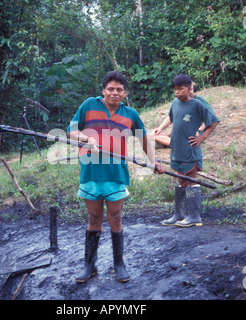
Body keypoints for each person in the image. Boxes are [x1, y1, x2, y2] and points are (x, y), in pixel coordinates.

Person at [67, 71, 165, 283]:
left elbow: (144, 139)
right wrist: (87, 139)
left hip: (116, 174)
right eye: (110, 89)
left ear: (124, 93)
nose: (115, 93)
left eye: (119, 90)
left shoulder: (130, 114)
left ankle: (119, 264)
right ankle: (89, 265)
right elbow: (71, 131)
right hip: (91, 172)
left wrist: (153, 162)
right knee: (94, 218)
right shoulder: (88, 105)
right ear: (103, 90)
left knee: (116, 217)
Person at [153, 74, 219, 227]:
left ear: (190, 88)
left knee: (191, 179)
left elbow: (214, 121)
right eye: (175, 89)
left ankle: (194, 216)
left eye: (180, 89)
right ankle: (179, 214)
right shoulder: (175, 103)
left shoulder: (197, 104)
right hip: (177, 150)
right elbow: (170, 118)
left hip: (190, 150)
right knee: (181, 180)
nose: (177, 92)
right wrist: (161, 128)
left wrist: (201, 138)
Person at [152, 82, 215, 147]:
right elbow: (170, 117)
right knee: (154, 135)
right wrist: (160, 128)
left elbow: (211, 115)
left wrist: (202, 128)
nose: (190, 92)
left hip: (193, 132)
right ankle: (172, 141)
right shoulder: (178, 101)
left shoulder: (198, 100)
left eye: (191, 89)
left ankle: (175, 144)